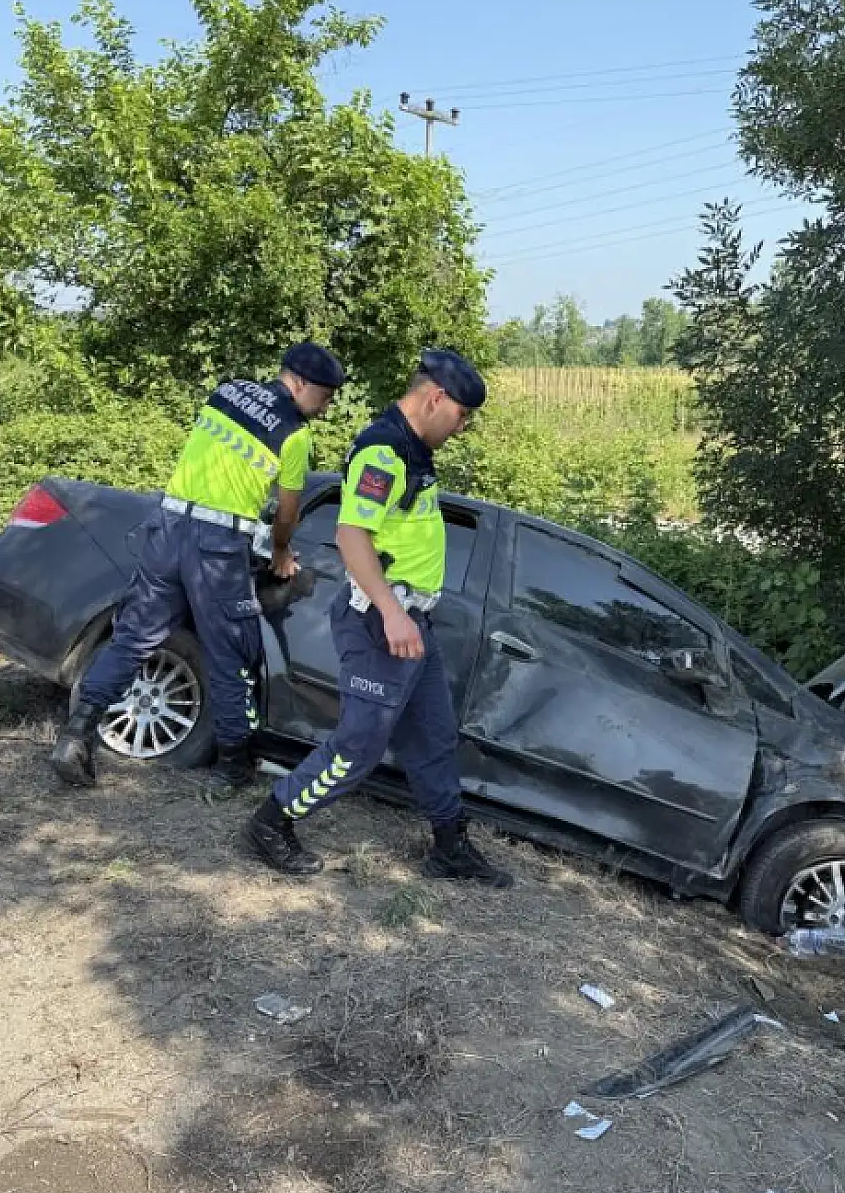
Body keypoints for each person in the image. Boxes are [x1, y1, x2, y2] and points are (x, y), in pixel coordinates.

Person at [245, 348, 513, 888]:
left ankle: (449, 847)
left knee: (434, 736)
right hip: (380, 624)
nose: (461, 428)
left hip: (414, 624)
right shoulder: (383, 450)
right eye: (461, 415)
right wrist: (392, 613)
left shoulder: (413, 450)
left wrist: (406, 615)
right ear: (436, 398)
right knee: (361, 743)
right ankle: (272, 821)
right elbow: (351, 535)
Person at [50, 342, 345, 792]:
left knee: (133, 637)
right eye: (323, 397)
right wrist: (281, 553)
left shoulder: (227, 394)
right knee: (229, 654)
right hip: (217, 547)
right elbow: (287, 513)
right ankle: (231, 768)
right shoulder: (294, 434)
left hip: (167, 530)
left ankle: (77, 734)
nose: (322, 409)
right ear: (299, 382)